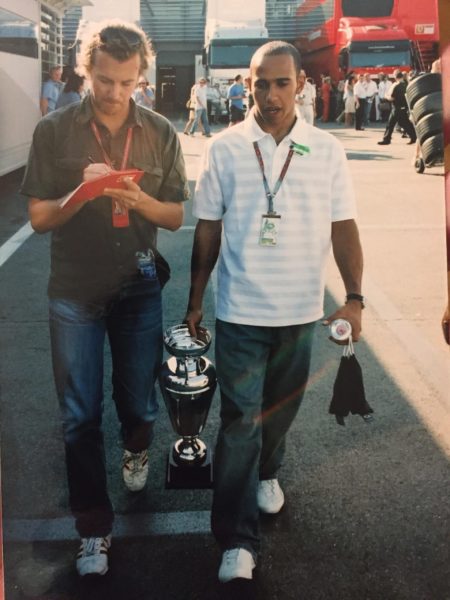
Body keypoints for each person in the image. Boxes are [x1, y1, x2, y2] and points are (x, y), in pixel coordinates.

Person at [184, 40, 363, 584]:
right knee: (242, 421)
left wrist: (354, 299)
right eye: (260, 82)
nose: (270, 93)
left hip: (300, 310)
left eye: (281, 82)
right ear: (248, 85)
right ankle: (236, 542)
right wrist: (196, 301)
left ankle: (268, 472)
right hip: (240, 309)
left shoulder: (326, 150)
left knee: (279, 412)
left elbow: (343, 226)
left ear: (301, 84)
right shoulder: (226, 147)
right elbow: (208, 226)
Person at [20, 19, 189, 577]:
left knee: (138, 404)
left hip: (138, 284)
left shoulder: (161, 131)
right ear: (84, 70)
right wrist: (81, 192)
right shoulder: (54, 130)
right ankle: (92, 529)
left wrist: (137, 199)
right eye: (104, 79)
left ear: (141, 76)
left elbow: (175, 214)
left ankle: (137, 447)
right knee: (78, 416)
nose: (115, 92)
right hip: (73, 288)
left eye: (126, 81)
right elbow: (40, 218)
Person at [377, 71, 416, 145]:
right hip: (404, 107)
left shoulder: (396, 86)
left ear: (395, 77)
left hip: (396, 108)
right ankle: (414, 137)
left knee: (390, 124)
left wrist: (386, 96)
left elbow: (391, 98)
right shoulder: (406, 85)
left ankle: (386, 139)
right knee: (405, 123)